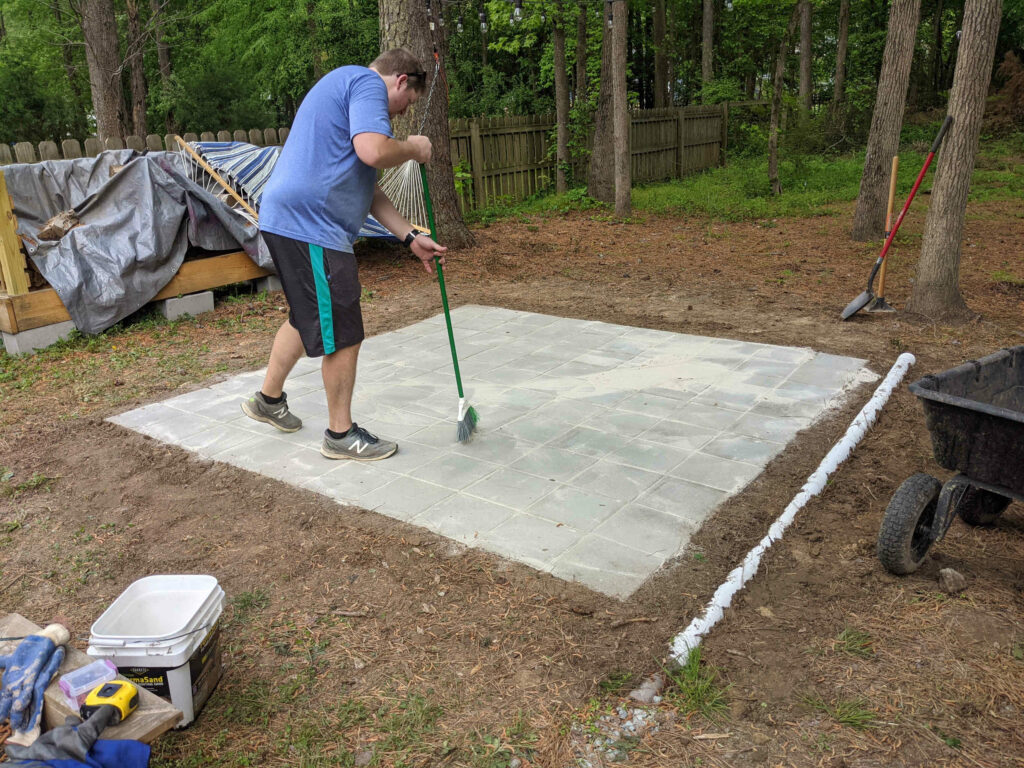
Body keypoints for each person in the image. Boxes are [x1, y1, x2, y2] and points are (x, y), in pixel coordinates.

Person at [243, 48, 447, 461]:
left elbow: (367, 187)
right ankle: (340, 434)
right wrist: (412, 148)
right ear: (401, 80)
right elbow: (374, 152)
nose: (404, 115)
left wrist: (410, 237)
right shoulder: (367, 83)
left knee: (307, 317)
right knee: (343, 326)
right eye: (406, 105)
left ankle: (267, 399)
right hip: (311, 225)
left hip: (292, 219)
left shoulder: (348, 97)